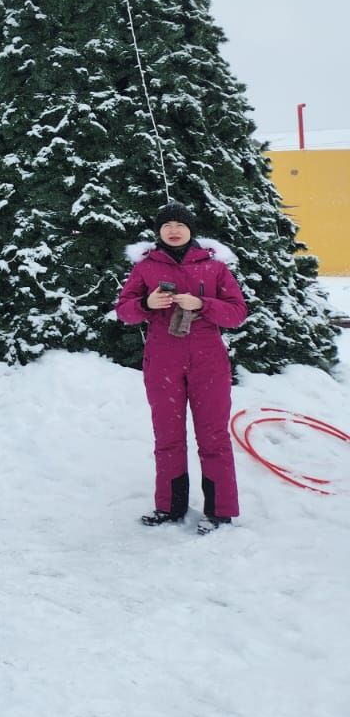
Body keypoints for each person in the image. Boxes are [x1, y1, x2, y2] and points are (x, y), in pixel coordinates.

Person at [115, 202, 248, 534]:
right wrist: (146, 304)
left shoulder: (214, 267)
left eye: (180, 224)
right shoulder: (146, 268)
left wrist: (203, 304)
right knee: (168, 438)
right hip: (162, 362)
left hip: (209, 363)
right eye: (167, 225)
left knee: (213, 437)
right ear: (159, 232)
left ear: (191, 230)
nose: (173, 230)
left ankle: (219, 512)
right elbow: (124, 312)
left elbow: (237, 313)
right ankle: (170, 507)